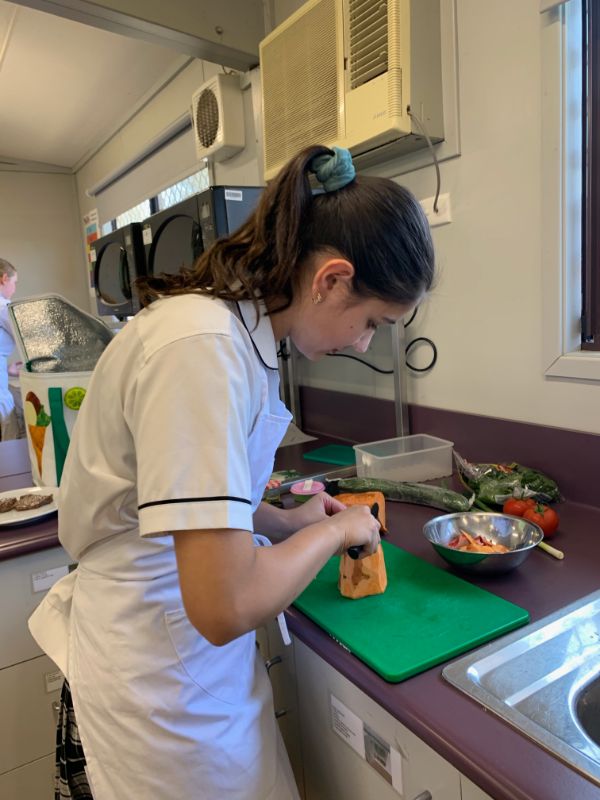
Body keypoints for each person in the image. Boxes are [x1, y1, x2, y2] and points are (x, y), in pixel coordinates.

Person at [28, 144, 435, 800]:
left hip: (188, 659)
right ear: (332, 279)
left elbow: (191, 503)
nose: (364, 342)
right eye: (372, 322)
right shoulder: (202, 348)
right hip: (157, 677)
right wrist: (333, 532)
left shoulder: (236, 333)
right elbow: (225, 604)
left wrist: (286, 521)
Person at [0, 258, 22, 440]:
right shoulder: (3, 307)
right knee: (8, 429)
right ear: (4, 279)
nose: (14, 289)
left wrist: (7, 370)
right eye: (15, 283)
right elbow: (28, 339)